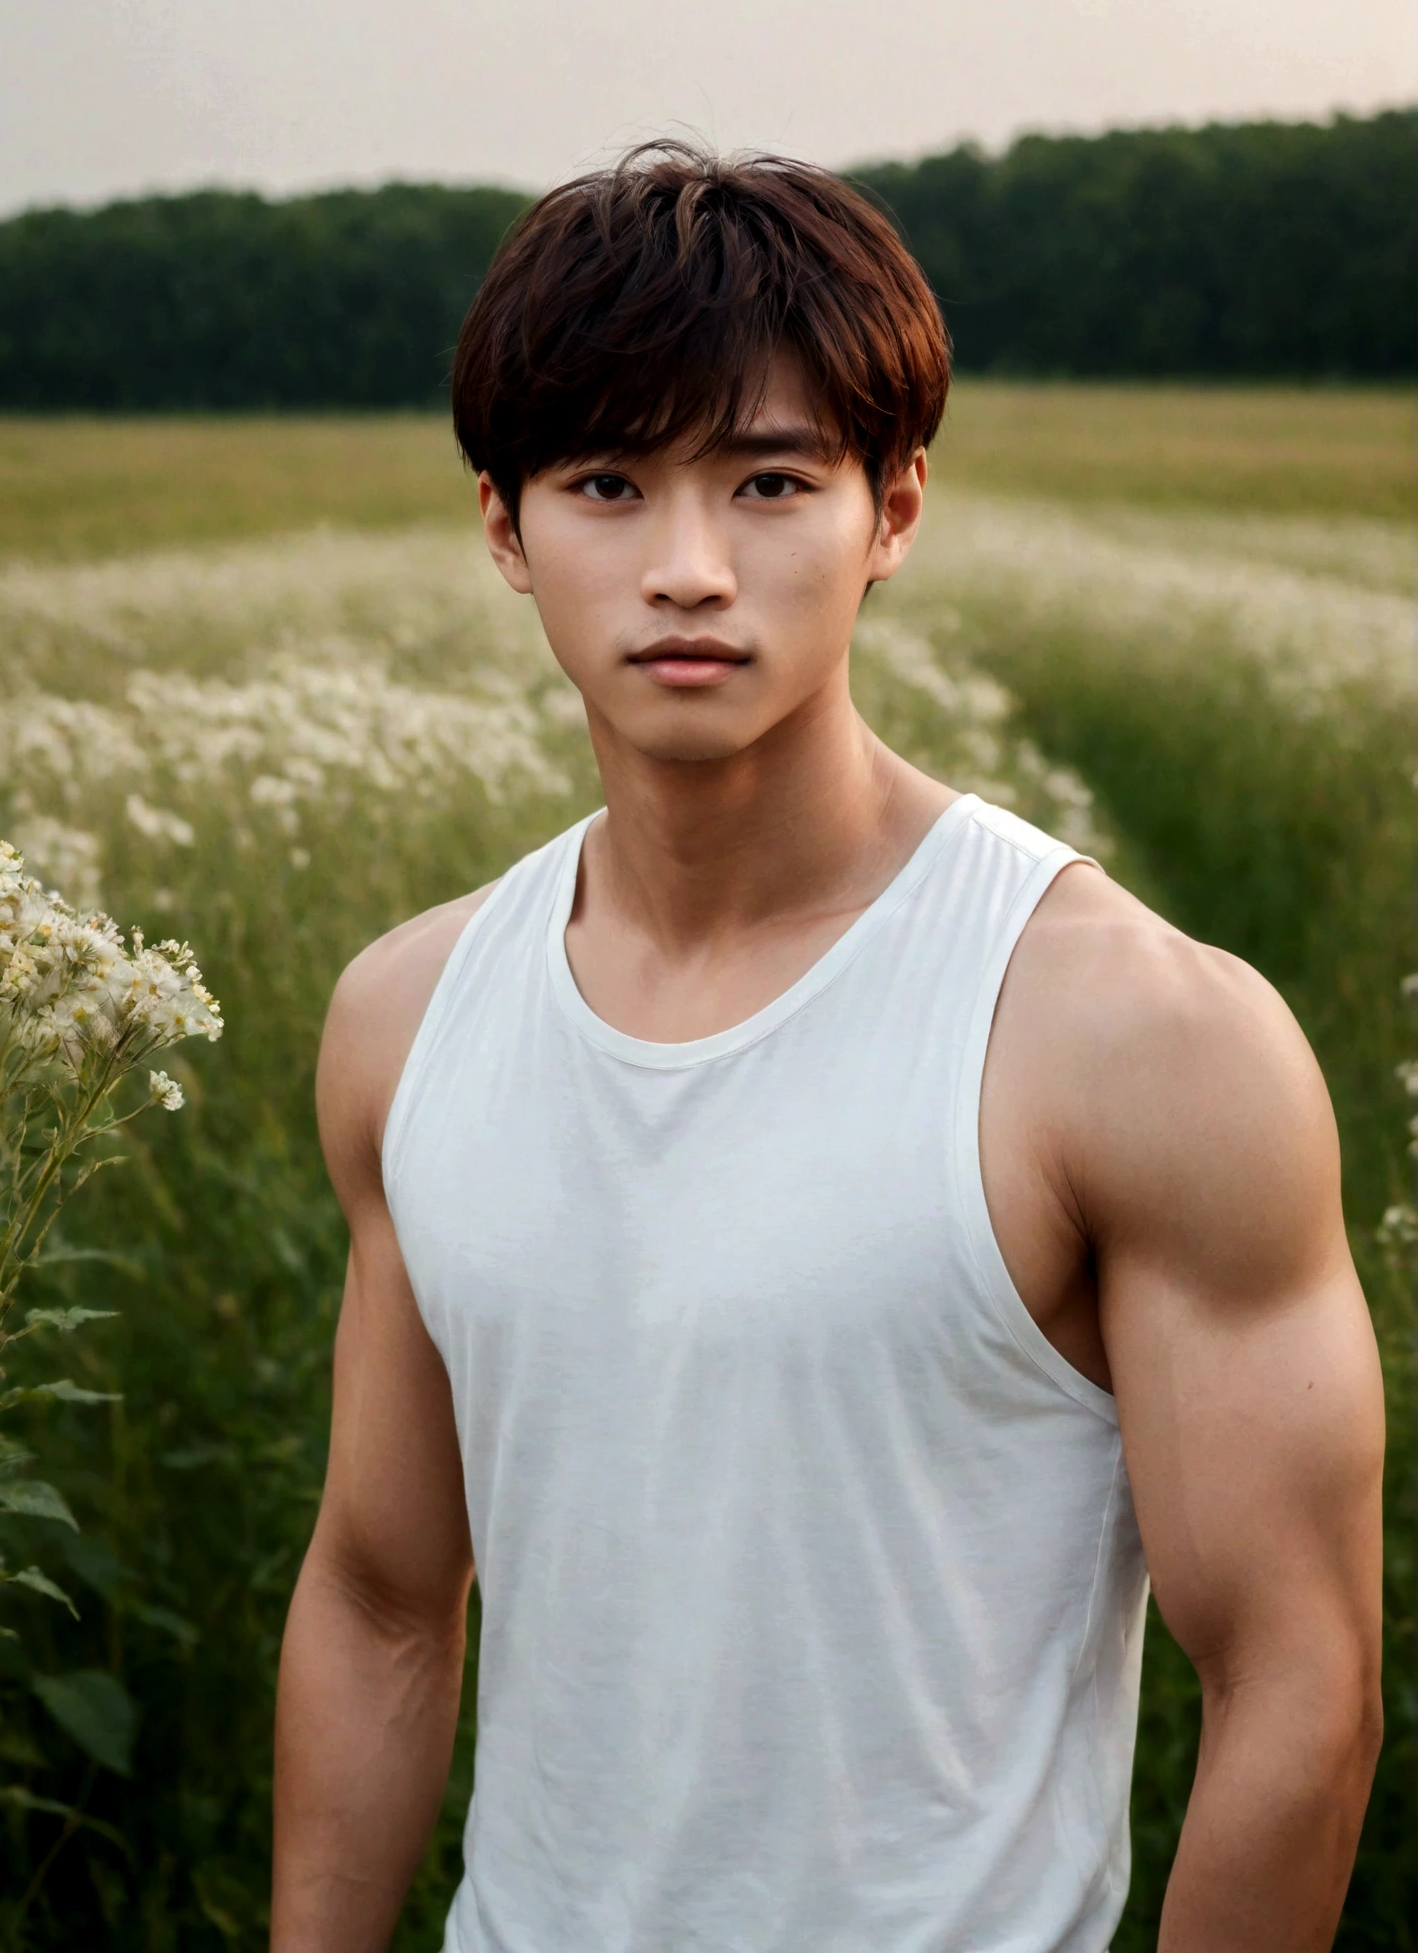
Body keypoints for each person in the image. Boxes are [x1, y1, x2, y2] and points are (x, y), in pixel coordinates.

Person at [270, 144, 1384, 1953]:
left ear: (896, 509)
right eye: (609, 483)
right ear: (503, 529)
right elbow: (384, 1599)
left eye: (771, 481)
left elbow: (1301, 1688)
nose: (689, 570)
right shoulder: (408, 1019)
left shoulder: (1130, 1035)